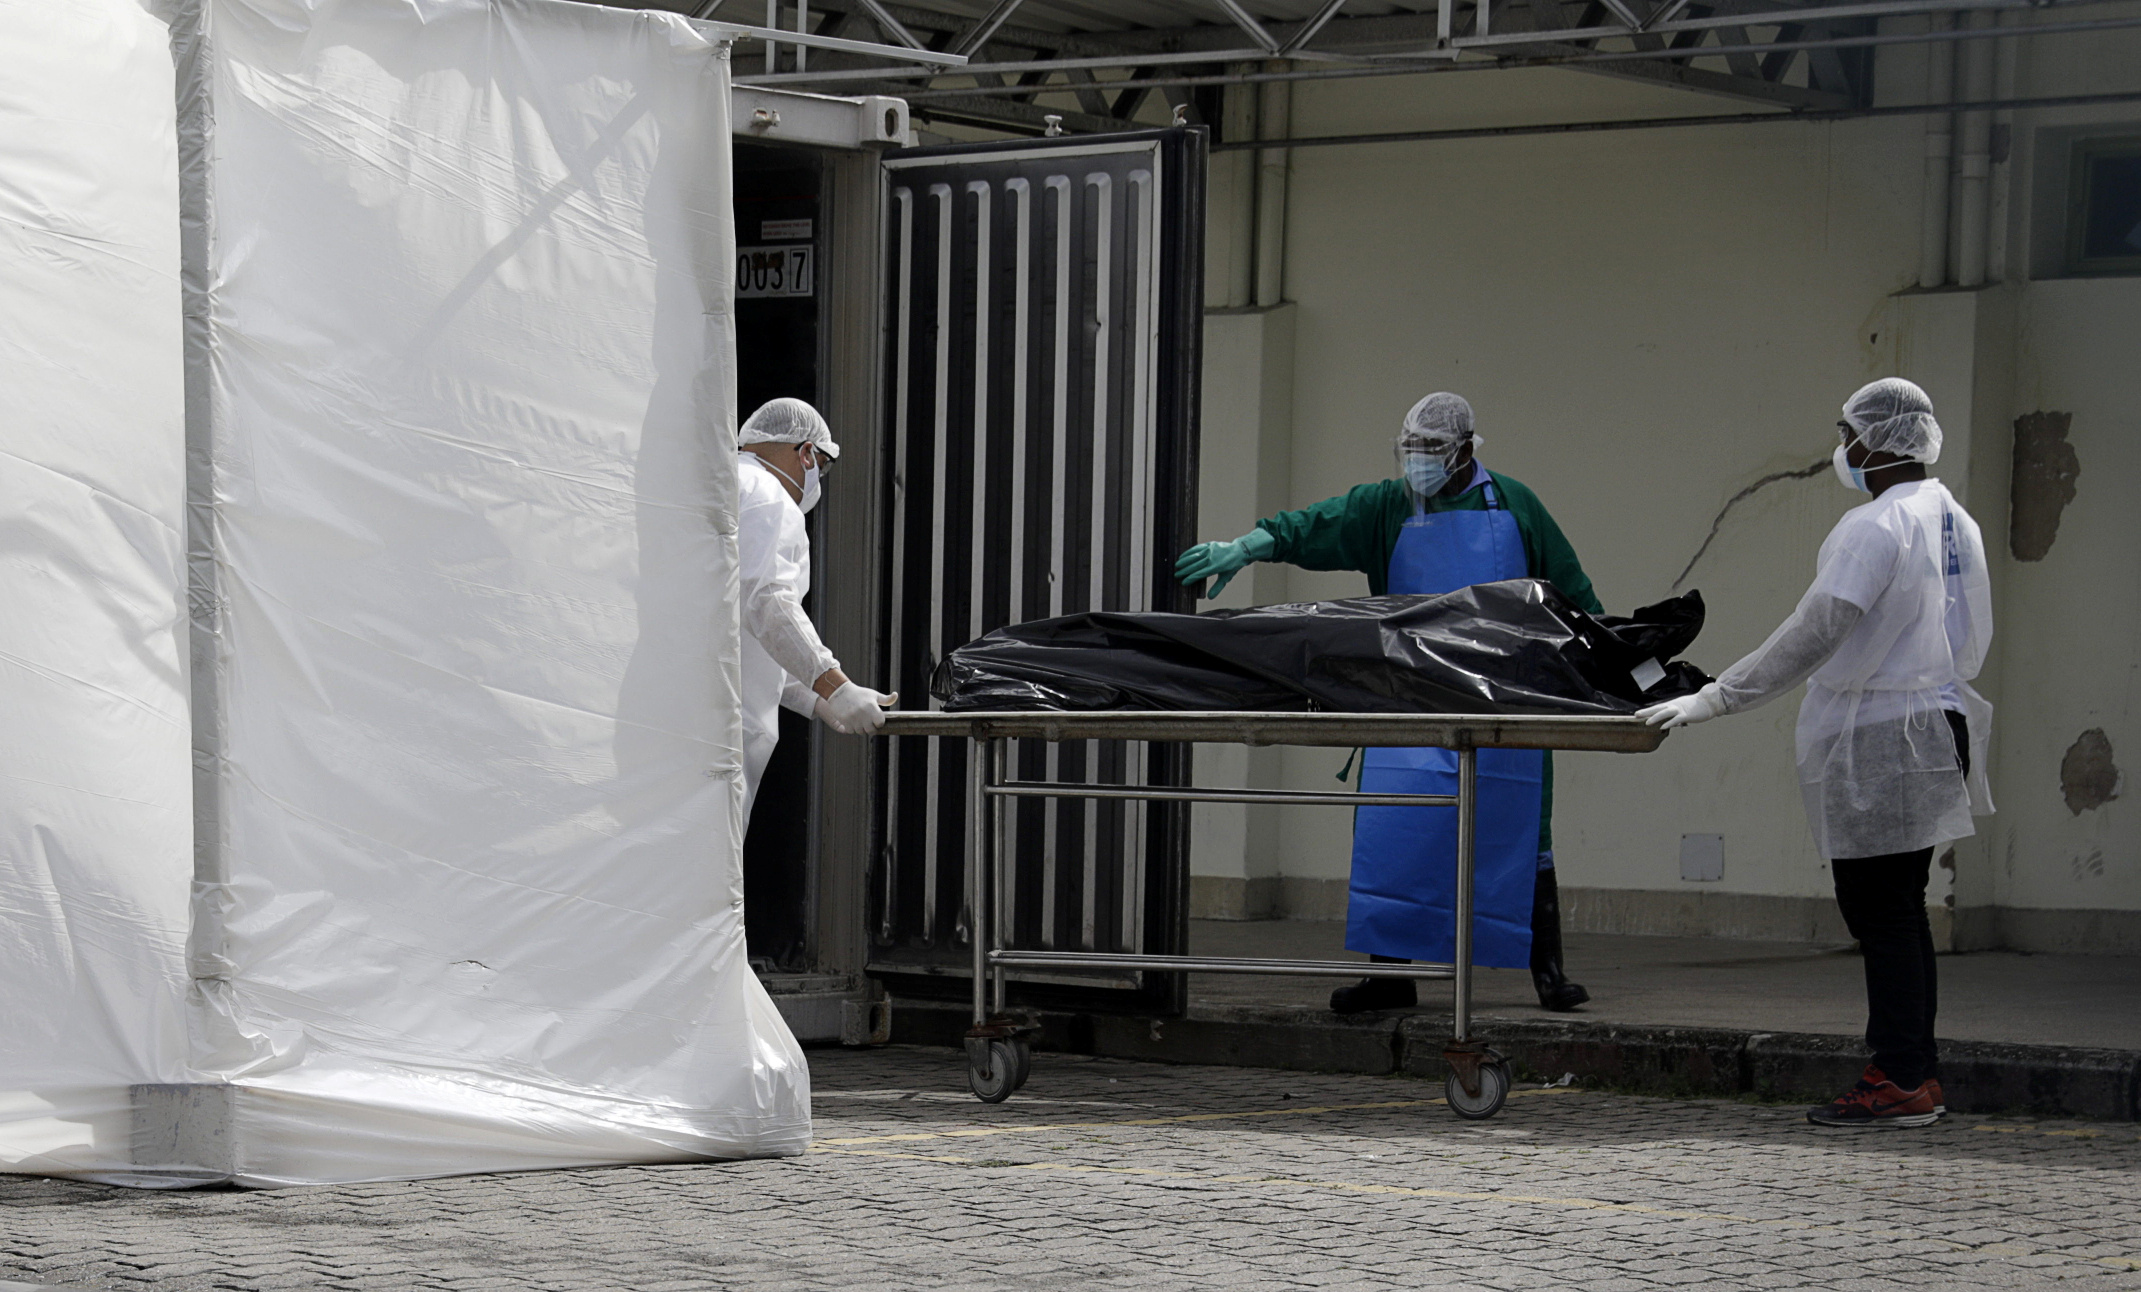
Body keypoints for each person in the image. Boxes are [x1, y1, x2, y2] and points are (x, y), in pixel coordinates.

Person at [1638, 378, 1993, 1128]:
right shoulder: (1950, 517)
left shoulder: (1874, 526)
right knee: (1900, 908)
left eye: (1846, 432)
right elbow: (1961, 635)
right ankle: (1913, 1074)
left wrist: (1716, 697)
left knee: (1880, 912)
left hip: (1880, 734)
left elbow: (1816, 629)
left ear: (1876, 439)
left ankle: (1897, 1077)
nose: (1841, 447)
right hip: (1934, 720)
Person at [1175, 392, 1600, 1013]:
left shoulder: (1514, 502)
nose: (1418, 463)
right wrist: (1247, 546)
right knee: (1393, 826)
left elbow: (1573, 590)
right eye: (1411, 451)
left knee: (1520, 829)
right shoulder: (1386, 506)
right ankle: (1389, 977)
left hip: (1502, 695)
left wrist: (1602, 658)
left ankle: (1549, 974)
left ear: (1463, 451)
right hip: (1407, 695)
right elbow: (1318, 524)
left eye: (1431, 451)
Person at [735, 397, 896, 821]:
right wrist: (835, 685)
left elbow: (743, 629)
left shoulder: (722, 487)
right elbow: (768, 603)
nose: (817, 477)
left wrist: (815, 701)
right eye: (821, 464)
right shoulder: (769, 497)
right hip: (717, 739)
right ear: (806, 452)